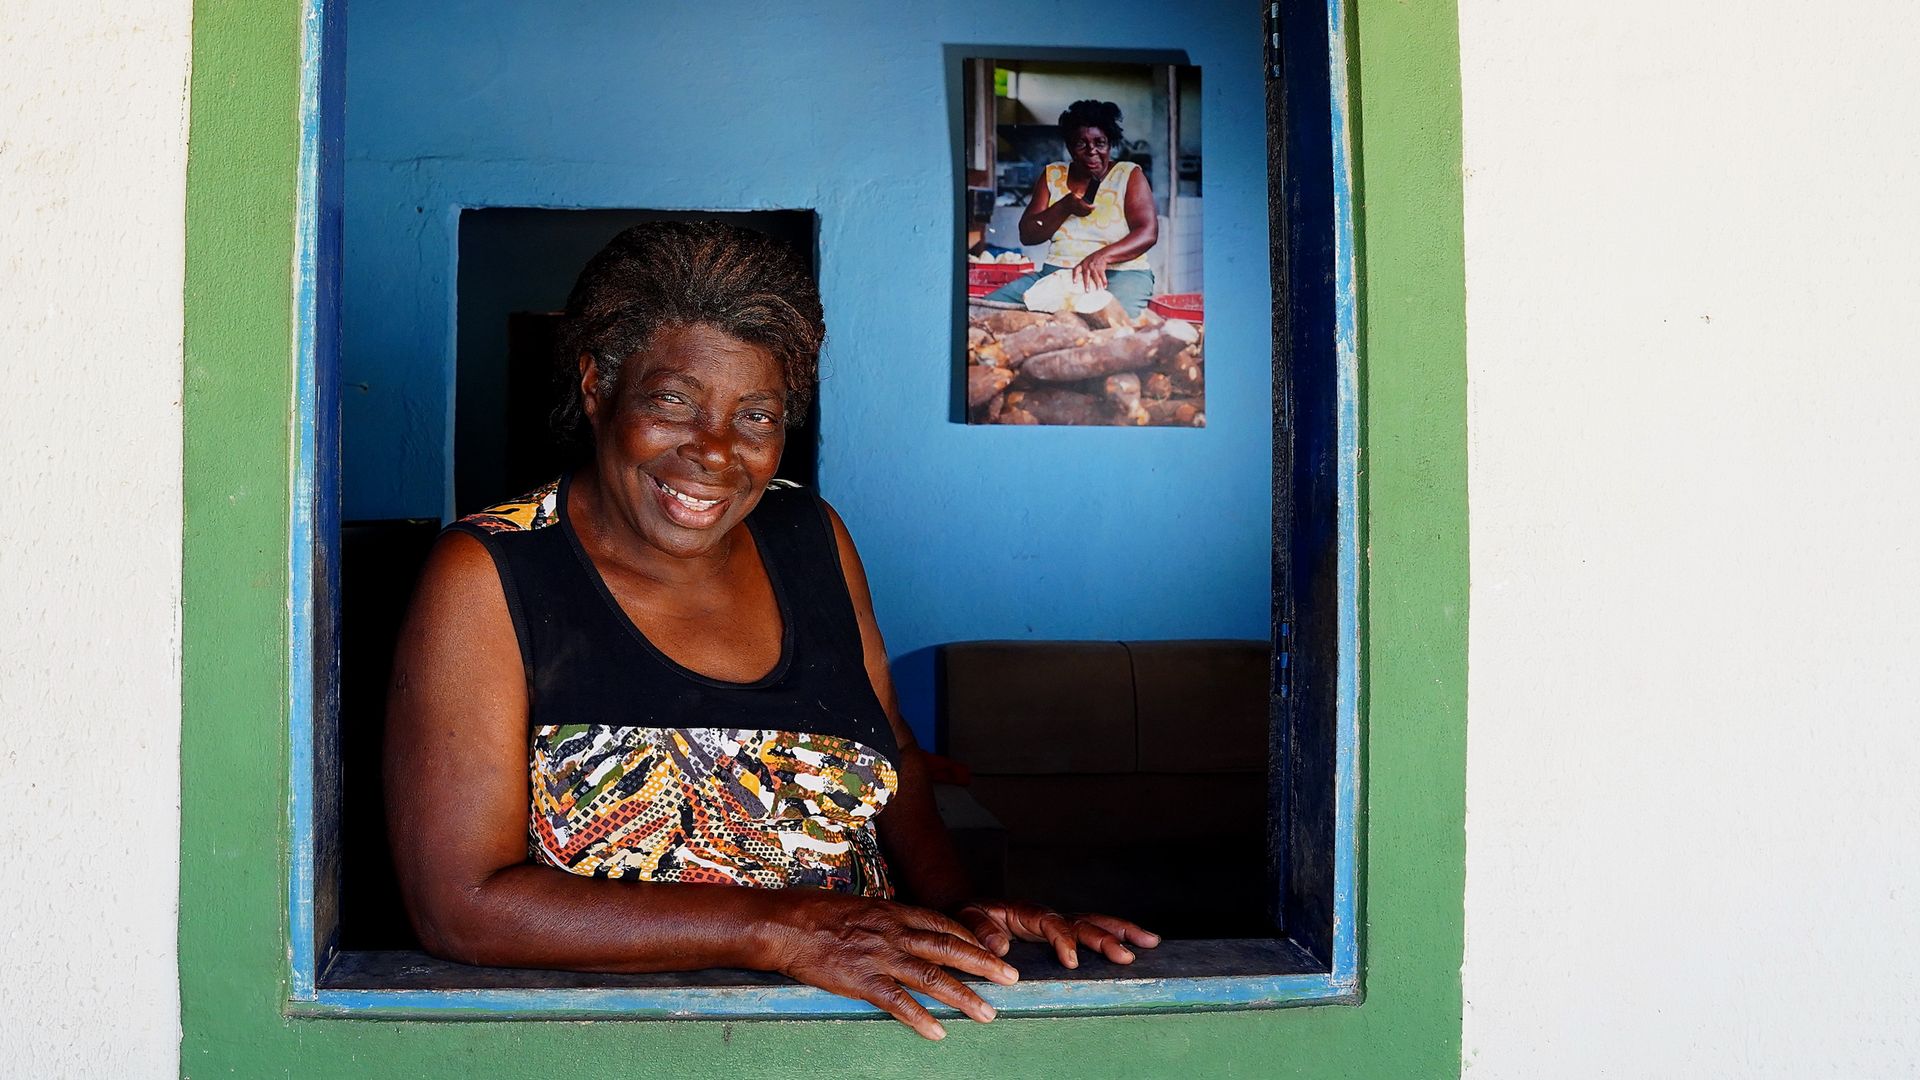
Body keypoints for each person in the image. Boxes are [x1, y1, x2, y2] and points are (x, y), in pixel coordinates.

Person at [385, 221, 1158, 1040]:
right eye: (674, 401)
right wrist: (783, 929)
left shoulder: (811, 536)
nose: (715, 452)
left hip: (866, 1035)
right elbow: (459, 907)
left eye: (756, 416)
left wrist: (955, 914)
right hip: (618, 1047)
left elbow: (890, 749)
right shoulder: (492, 572)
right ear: (597, 387)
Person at [982, 99, 1159, 316]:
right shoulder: (1052, 175)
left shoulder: (1128, 175)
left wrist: (1101, 257)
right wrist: (1065, 206)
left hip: (1120, 275)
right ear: (1069, 147)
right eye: (1081, 144)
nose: (1092, 151)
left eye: (1100, 143)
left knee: (1112, 329)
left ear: (1110, 144)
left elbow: (1147, 232)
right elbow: (1028, 235)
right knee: (985, 310)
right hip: (1057, 276)